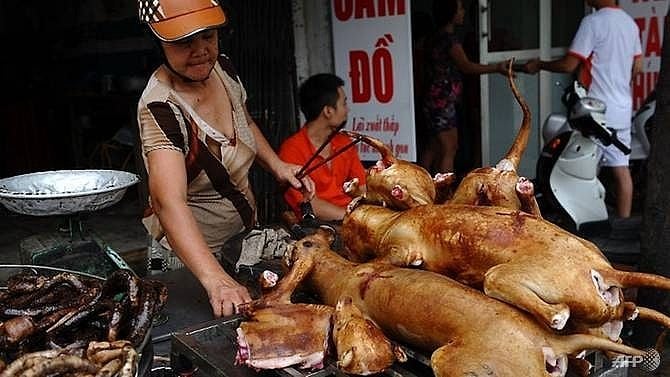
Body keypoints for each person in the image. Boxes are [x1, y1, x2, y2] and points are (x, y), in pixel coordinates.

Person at [136, 0, 314, 318]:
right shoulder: (160, 106)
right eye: (184, 41)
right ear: (158, 41)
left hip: (240, 239)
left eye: (208, 36)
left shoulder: (223, 68)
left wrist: (277, 166)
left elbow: (243, 121)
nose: (201, 49)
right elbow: (168, 203)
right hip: (191, 264)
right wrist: (215, 279)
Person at [523, 0, 642, 222]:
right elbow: (637, 67)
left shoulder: (593, 22)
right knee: (621, 170)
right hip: (622, 109)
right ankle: (624, 227)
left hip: (593, 112)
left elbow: (569, 65)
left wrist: (539, 64)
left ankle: (581, 225)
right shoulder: (629, 23)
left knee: (576, 169)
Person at [421, 0, 508, 174]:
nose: (463, 12)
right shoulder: (448, 40)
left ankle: (420, 184)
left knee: (434, 146)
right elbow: (466, 66)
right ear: (451, 13)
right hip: (441, 103)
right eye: (460, 8)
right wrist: (497, 68)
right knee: (449, 148)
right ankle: (444, 192)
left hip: (434, 101)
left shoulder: (434, 37)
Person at [278, 73, 366, 221]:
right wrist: (352, 219)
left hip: (351, 220)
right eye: (344, 104)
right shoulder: (292, 149)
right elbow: (309, 204)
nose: (347, 110)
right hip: (317, 227)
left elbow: (362, 189)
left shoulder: (344, 143)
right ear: (328, 111)